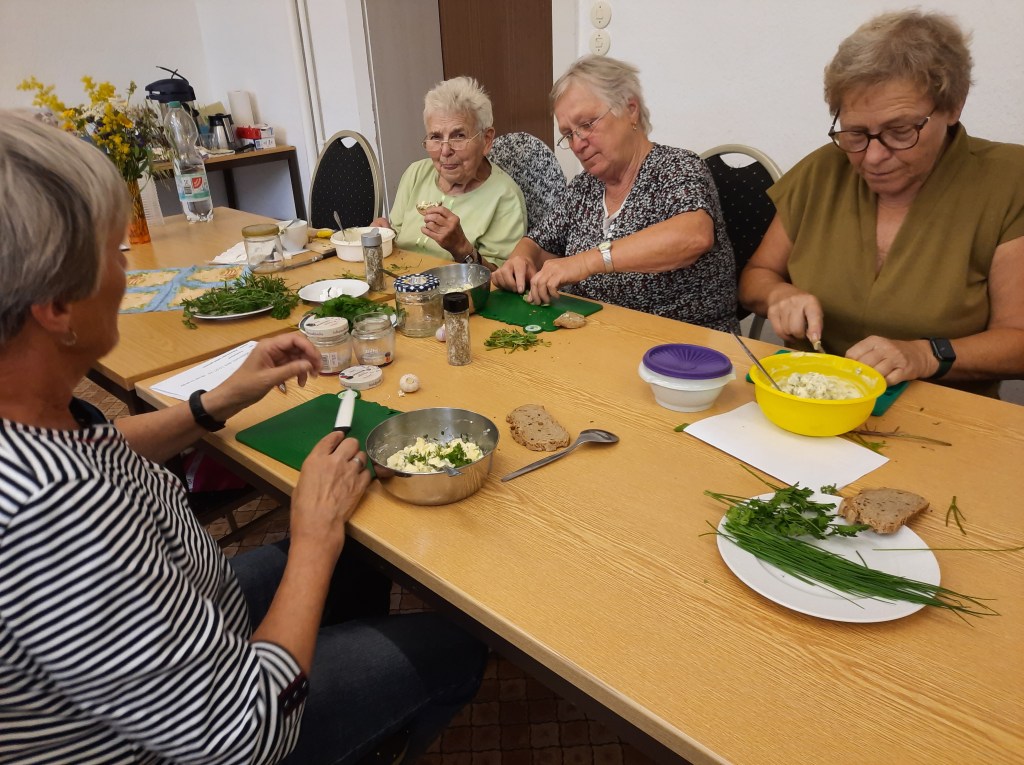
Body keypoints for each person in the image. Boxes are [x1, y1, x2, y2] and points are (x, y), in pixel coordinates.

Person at [0, 110, 486, 765]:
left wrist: (214, 402)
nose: (125, 274)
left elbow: (97, 443)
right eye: (113, 254)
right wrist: (312, 537)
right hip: (216, 730)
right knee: (460, 644)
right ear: (55, 308)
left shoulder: (31, 417)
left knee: (361, 558)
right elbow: (240, 735)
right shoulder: (50, 512)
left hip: (191, 608)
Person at [739, 10, 1024, 394]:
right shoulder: (824, 170)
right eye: (856, 132)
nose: (872, 157)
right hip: (812, 401)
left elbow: (1018, 341)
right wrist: (779, 294)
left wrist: (925, 356)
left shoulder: (1007, 181)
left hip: (941, 414)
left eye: (900, 130)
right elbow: (756, 277)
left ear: (954, 106)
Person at [491, 55, 737, 332]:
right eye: (568, 134)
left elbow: (693, 236)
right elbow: (537, 242)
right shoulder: (584, 187)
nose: (578, 143)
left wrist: (586, 262)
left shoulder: (678, 167)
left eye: (587, 124)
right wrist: (520, 260)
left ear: (630, 110)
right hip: (599, 339)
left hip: (685, 344)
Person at [371, 76, 526, 268]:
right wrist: (384, 235)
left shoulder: (505, 197)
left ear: (486, 140)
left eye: (458, 136)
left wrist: (461, 247)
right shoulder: (416, 173)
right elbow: (396, 238)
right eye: (435, 137)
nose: (445, 151)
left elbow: (501, 282)